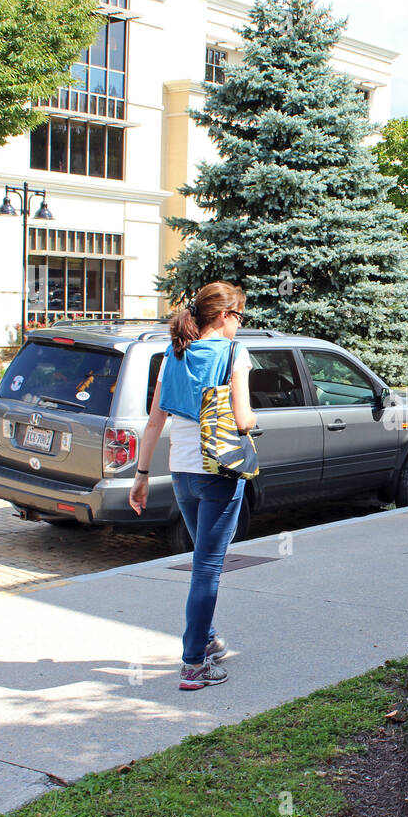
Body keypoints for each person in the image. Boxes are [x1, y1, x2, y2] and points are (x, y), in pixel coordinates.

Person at [130, 281, 258, 691]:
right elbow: (242, 419)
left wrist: (142, 475)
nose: (240, 324)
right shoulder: (235, 354)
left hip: (181, 471)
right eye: (239, 316)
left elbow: (154, 422)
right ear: (224, 316)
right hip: (219, 471)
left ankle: (204, 639)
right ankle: (193, 665)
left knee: (201, 562)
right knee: (207, 568)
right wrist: (254, 421)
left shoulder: (173, 354)